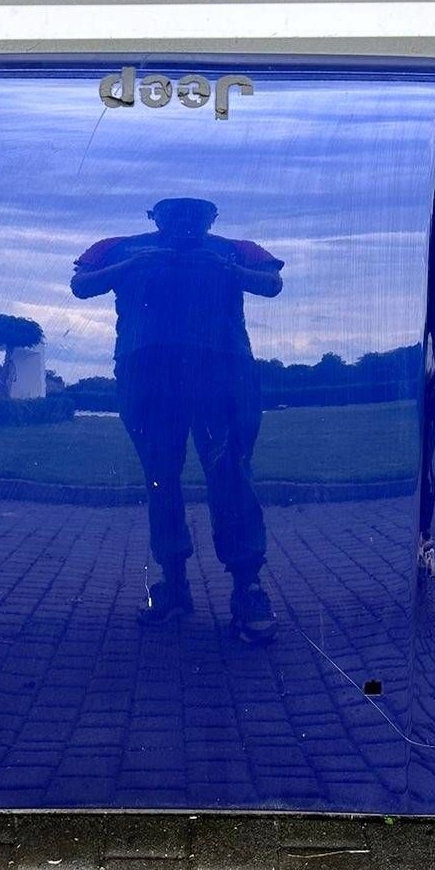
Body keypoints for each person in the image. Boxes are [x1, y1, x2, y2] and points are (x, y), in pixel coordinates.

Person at [71, 198, 284, 643]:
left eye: (196, 213)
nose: (185, 219)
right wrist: (131, 265)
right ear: (155, 216)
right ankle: (174, 583)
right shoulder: (120, 246)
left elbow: (272, 284)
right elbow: (81, 285)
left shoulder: (233, 248)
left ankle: (247, 586)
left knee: (230, 471)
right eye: (174, 212)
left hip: (221, 368)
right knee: (159, 476)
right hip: (147, 368)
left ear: (212, 218)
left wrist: (230, 271)